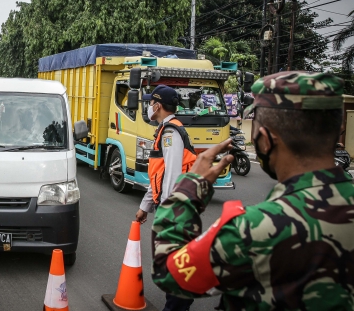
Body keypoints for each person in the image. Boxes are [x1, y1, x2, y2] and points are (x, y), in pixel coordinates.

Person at [151, 72, 354, 310]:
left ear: (265, 140)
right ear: (338, 130)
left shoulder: (254, 229)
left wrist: (188, 190)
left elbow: (170, 273)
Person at [135, 85, 197, 311]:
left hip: (176, 210)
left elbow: (172, 176)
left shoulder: (170, 133)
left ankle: (176, 306)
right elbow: (159, 176)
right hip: (178, 206)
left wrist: (168, 213)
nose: (150, 106)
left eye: (151, 102)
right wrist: (146, 205)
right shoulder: (167, 130)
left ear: (158, 105)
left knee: (171, 261)